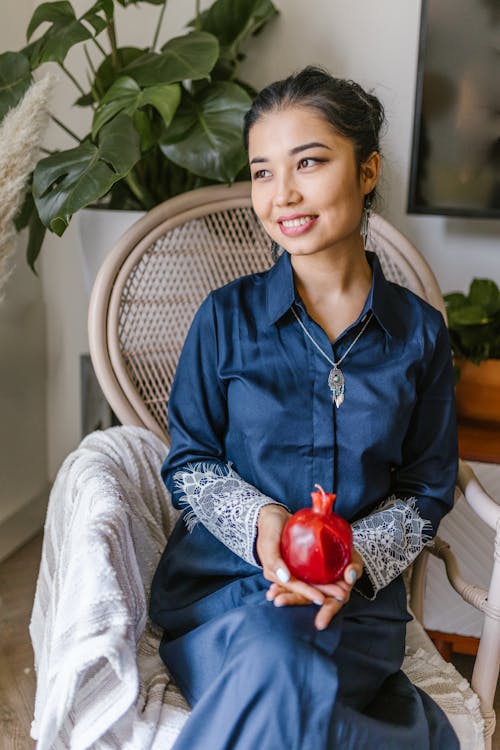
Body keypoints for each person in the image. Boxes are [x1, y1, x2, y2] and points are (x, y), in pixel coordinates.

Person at [149, 66, 459, 749]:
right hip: (226, 591)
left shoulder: (420, 334)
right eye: (262, 172)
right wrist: (264, 524)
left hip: (356, 604)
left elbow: (426, 490)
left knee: (289, 665)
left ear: (368, 170)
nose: (281, 194)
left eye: (309, 162)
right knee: (271, 650)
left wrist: (350, 559)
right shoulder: (224, 318)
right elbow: (191, 461)